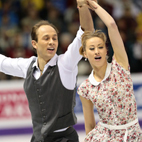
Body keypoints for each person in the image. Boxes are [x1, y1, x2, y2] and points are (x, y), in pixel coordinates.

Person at [0, 0, 94, 142]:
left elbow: (86, 34)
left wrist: (82, 6)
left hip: (64, 139)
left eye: (54, 38)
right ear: (34, 44)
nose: (52, 42)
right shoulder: (28, 66)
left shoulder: (65, 64)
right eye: (46, 38)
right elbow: (3, 63)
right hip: (38, 138)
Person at [77, 0, 142, 142]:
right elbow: (89, 125)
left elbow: (112, 25)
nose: (97, 52)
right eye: (92, 49)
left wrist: (93, 5)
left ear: (106, 50)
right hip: (104, 137)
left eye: (100, 47)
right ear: (85, 54)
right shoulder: (85, 88)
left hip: (132, 135)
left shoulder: (120, 65)